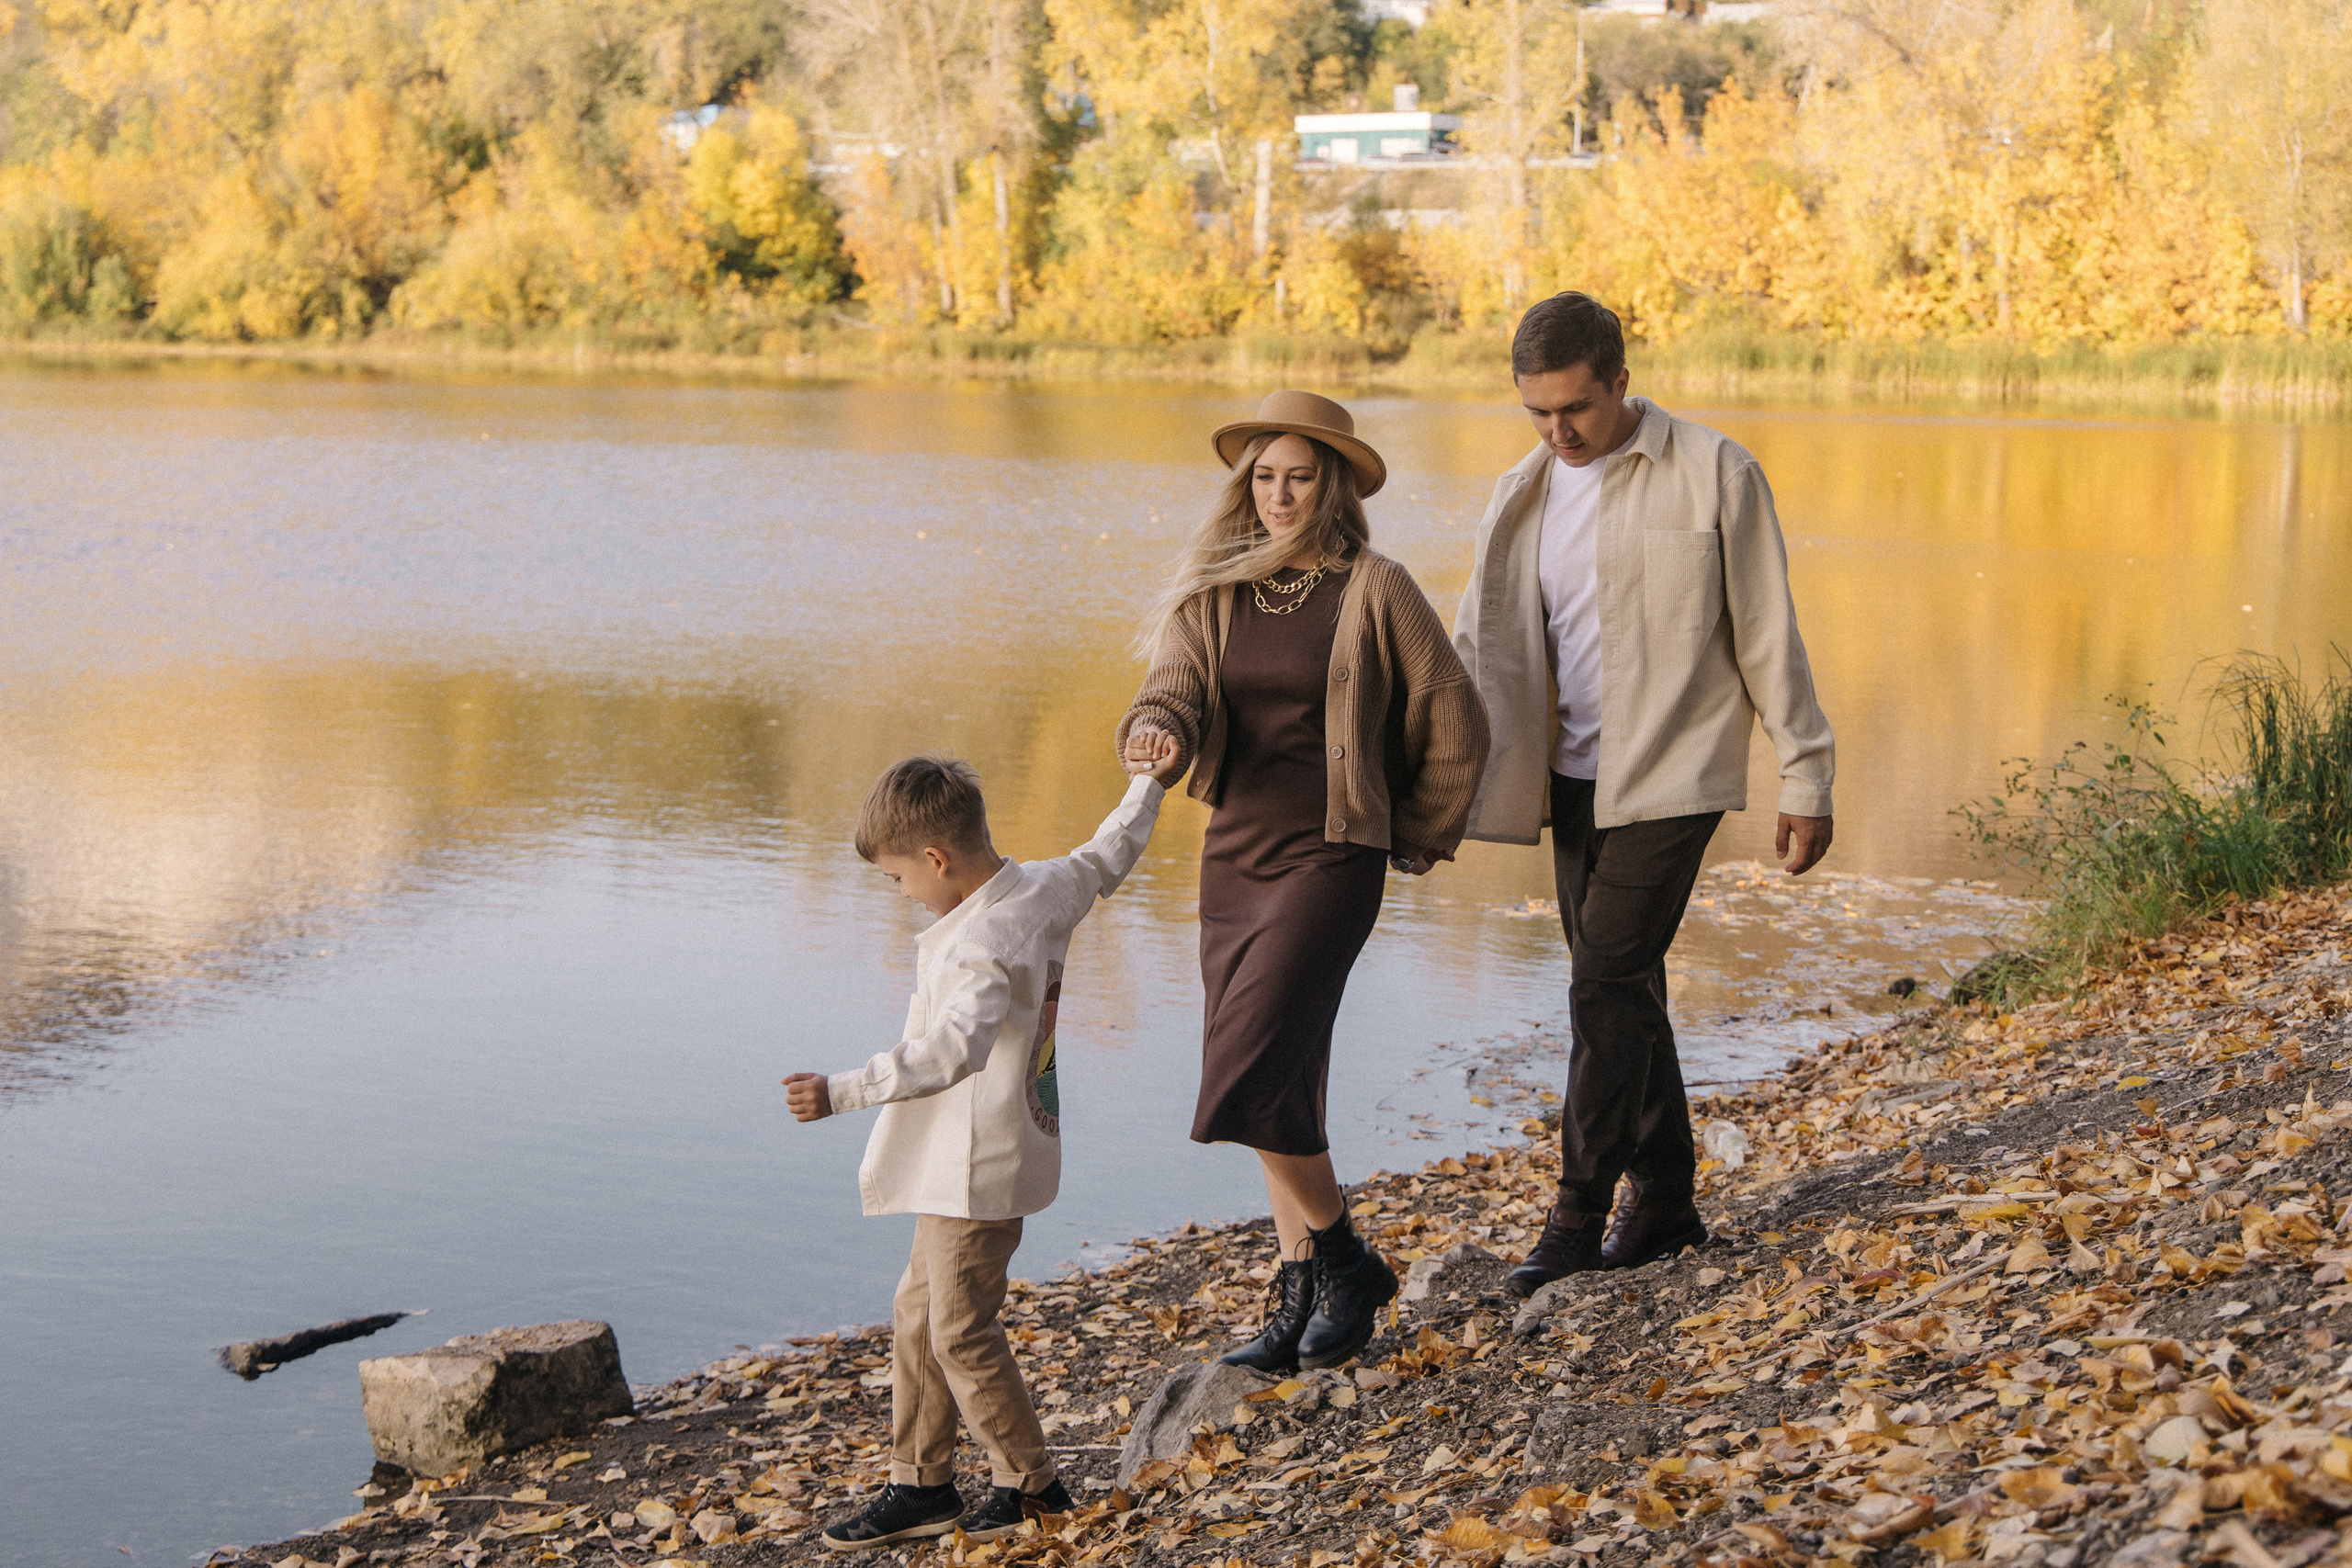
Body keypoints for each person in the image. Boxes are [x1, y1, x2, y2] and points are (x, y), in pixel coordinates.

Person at [1450, 292, 1837, 1297]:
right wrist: (1431, 775)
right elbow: (1475, 643)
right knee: (1622, 987)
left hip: (1672, 770)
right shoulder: (1522, 490)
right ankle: (1664, 1195)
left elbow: (1767, 632)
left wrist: (1806, 771)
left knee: (1599, 985)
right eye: (1536, 411)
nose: (1556, 431)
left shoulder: (1715, 472)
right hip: (1567, 776)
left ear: (1620, 380)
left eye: (1573, 408)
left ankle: (1577, 1214)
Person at [1118, 389, 1490, 1373]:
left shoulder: (1376, 586)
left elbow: (1453, 716)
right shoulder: (1215, 589)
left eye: (1299, 476)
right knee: (1284, 1073)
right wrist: (1154, 732)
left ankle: (1342, 1257)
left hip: (1331, 856)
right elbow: (1175, 688)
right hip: (1234, 855)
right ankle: (1300, 1297)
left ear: (1333, 486)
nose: (1280, 494)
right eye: (1265, 477)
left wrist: (1411, 832)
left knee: (1245, 1065)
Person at [784, 743, 1182, 1550]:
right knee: (917, 1314)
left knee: (960, 1330)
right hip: (977, 1154)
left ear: (936, 858)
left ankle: (1032, 1484)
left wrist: (841, 1090)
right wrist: (1148, 781)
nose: (903, 895)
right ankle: (920, 1482)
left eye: (900, 879)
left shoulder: (981, 941)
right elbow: (1108, 854)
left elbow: (953, 1049)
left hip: (975, 1169)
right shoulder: (1040, 886)